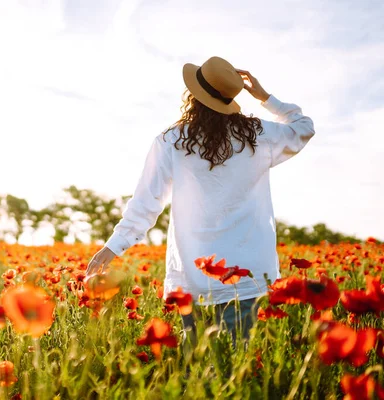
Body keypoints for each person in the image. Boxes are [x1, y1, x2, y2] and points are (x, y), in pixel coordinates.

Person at [85, 56, 315, 347]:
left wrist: (113, 247)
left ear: (193, 95)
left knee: (199, 370)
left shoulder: (172, 141)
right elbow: (303, 127)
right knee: (239, 371)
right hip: (248, 275)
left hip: (194, 275)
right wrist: (265, 97)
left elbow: (147, 202)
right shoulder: (260, 136)